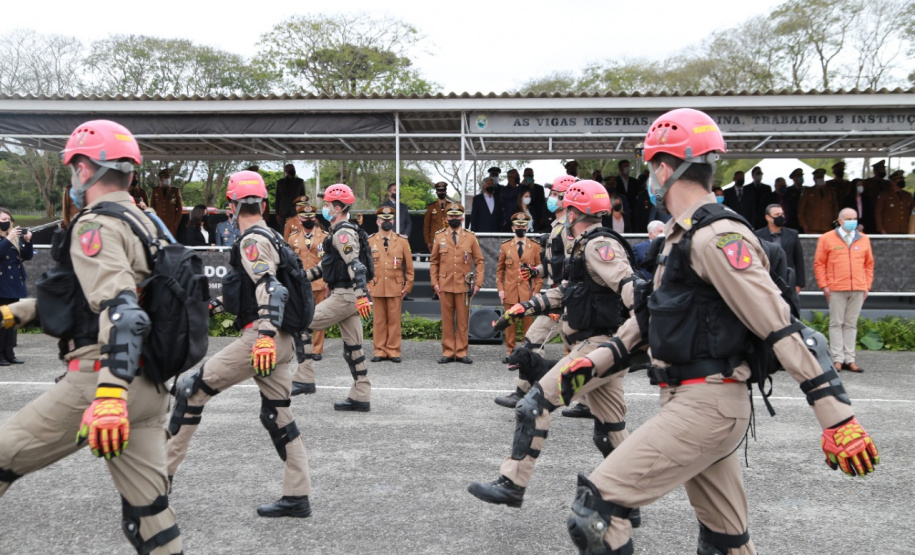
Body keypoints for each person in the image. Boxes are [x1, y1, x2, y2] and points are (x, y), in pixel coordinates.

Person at [555, 108, 878, 555]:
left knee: (596, 513)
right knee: (727, 541)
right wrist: (591, 364)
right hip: (694, 401)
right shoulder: (679, 238)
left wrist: (837, 417)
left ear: (664, 169)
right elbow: (647, 325)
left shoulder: (718, 237)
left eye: (651, 167)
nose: (651, 178)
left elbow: (781, 326)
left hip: (706, 406)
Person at [0, 120, 183, 553]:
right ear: (131, 175)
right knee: (152, 515)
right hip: (149, 386)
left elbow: (122, 312)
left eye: (72, 169)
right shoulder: (146, 224)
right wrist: (13, 313)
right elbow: (86, 301)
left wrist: (108, 397)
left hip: (102, 382)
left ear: (84, 169)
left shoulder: (94, 225)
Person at [468, 180, 641, 516]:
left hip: (596, 349)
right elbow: (565, 291)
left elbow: (629, 284)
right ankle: (629, 502)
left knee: (534, 404)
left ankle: (512, 483)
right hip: (597, 348)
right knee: (610, 432)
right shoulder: (585, 245)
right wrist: (523, 307)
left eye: (567, 209)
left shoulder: (598, 245)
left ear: (575, 211)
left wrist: (647, 333)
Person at [167, 169, 312, 519]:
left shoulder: (251, 240)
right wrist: (216, 305)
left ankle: (154, 485)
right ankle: (297, 496)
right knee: (278, 414)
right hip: (281, 339)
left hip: (263, 339)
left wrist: (262, 337)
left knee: (191, 389)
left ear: (231, 206)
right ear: (263, 203)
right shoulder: (273, 236)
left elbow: (270, 288)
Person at [493, 175, 577, 408]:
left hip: (566, 297)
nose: (550, 198)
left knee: (578, 351)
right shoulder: (558, 226)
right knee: (533, 341)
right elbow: (557, 263)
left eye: (554, 194)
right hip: (559, 296)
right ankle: (523, 392)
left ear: (566, 197)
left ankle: (589, 402)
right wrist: (537, 271)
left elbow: (571, 264)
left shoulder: (570, 229)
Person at [291, 184, 374, 411]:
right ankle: (361, 395)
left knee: (300, 323)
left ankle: (304, 378)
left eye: (327, 204)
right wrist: (301, 277)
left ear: (337, 207)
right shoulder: (339, 232)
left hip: (345, 297)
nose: (324, 209)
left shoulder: (343, 233)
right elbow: (327, 266)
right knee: (354, 348)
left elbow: (355, 266)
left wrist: (360, 297)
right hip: (348, 297)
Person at [814, 208, 875, 373]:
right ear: (840, 220)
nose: (852, 221)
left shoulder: (864, 239)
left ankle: (850, 359)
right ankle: (837, 359)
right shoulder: (826, 238)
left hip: (858, 287)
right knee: (836, 323)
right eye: (849, 218)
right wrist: (824, 285)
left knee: (851, 324)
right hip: (836, 287)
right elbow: (819, 263)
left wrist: (866, 285)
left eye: (855, 218)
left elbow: (869, 265)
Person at [430, 203, 484, 364]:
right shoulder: (440, 237)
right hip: (445, 284)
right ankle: (447, 351)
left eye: (457, 216)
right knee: (447, 321)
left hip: (464, 285)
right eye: (451, 216)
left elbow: (479, 261)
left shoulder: (470, 237)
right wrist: (435, 283)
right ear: (446, 218)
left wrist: (478, 283)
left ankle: (461, 351)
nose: (454, 218)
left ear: (462, 217)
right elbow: (434, 262)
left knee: (462, 320)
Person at [367, 206, 414, 363]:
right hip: (377, 285)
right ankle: (379, 350)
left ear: (393, 221)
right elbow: (365, 266)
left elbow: (409, 267)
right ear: (377, 221)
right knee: (379, 321)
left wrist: (407, 287)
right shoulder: (370, 240)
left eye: (389, 219)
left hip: (396, 286)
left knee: (394, 320)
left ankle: (393, 350)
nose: (386, 222)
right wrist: (367, 285)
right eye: (383, 219)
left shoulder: (402, 241)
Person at [285, 200, 328, 362]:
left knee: (318, 316)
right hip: (300, 283)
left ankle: (317, 348)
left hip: (319, 283)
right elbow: (289, 262)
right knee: (300, 316)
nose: (308, 220)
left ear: (315, 218)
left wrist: (328, 281)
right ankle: (303, 345)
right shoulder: (292, 238)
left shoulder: (325, 237)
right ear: (300, 219)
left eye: (311, 217)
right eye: (305, 217)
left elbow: (329, 261)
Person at [496, 212, 543, 362]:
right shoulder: (505, 246)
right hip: (510, 291)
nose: (520, 228)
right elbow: (500, 271)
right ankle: (510, 352)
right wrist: (501, 290)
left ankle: (526, 353)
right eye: (518, 226)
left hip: (527, 292)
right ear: (512, 228)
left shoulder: (535, 247)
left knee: (528, 326)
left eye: (523, 226)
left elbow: (539, 271)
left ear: (528, 228)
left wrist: (536, 291)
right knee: (510, 324)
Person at [0, 209, 33, 366]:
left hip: (13, 285)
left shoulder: (12, 238)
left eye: (8, 218)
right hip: (2, 286)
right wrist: (9, 239)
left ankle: (9, 353)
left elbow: (26, 256)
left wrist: (26, 241)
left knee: (10, 321)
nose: (6, 221)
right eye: (2, 219)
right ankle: (0, 356)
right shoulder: (8, 239)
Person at [756, 204, 806, 294]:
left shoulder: (793, 234)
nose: (781, 217)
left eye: (782, 214)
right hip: (767, 280)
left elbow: (799, 260)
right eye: (777, 215)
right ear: (768, 217)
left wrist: (799, 284)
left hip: (788, 280)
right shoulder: (758, 235)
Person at [798, 168, 839, 233]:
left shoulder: (830, 191)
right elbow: (801, 210)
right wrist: (803, 224)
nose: (820, 179)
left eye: (821, 177)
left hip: (828, 226)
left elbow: (835, 209)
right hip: (812, 227)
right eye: (818, 177)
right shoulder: (808, 191)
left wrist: (835, 223)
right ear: (814, 179)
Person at [150, 168, 183, 238]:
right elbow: (152, 207)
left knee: (171, 241)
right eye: (165, 178)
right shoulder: (156, 191)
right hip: (159, 221)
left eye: (168, 178)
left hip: (171, 223)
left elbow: (179, 208)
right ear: (161, 179)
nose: (167, 180)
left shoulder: (175, 191)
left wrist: (176, 223)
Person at [273, 163, 306, 233]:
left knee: (296, 231)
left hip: (295, 212)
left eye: (293, 169)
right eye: (291, 169)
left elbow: (303, 198)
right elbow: (277, 198)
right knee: (283, 231)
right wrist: (277, 213)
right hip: (283, 212)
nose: (293, 170)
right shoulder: (280, 182)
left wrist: (302, 212)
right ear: (286, 171)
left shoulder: (300, 182)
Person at [423, 182, 452, 252]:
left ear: (446, 191)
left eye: (443, 191)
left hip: (449, 238)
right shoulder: (431, 207)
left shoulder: (450, 206)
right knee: (435, 261)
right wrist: (428, 241)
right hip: (434, 239)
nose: (441, 193)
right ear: (436, 192)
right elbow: (426, 226)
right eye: (439, 191)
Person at [521, 167, 549, 231]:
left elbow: (542, 203)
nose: (529, 177)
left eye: (530, 175)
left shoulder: (539, 188)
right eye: (527, 176)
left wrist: (532, 187)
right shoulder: (520, 188)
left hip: (537, 216)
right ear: (523, 176)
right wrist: (522, 185)